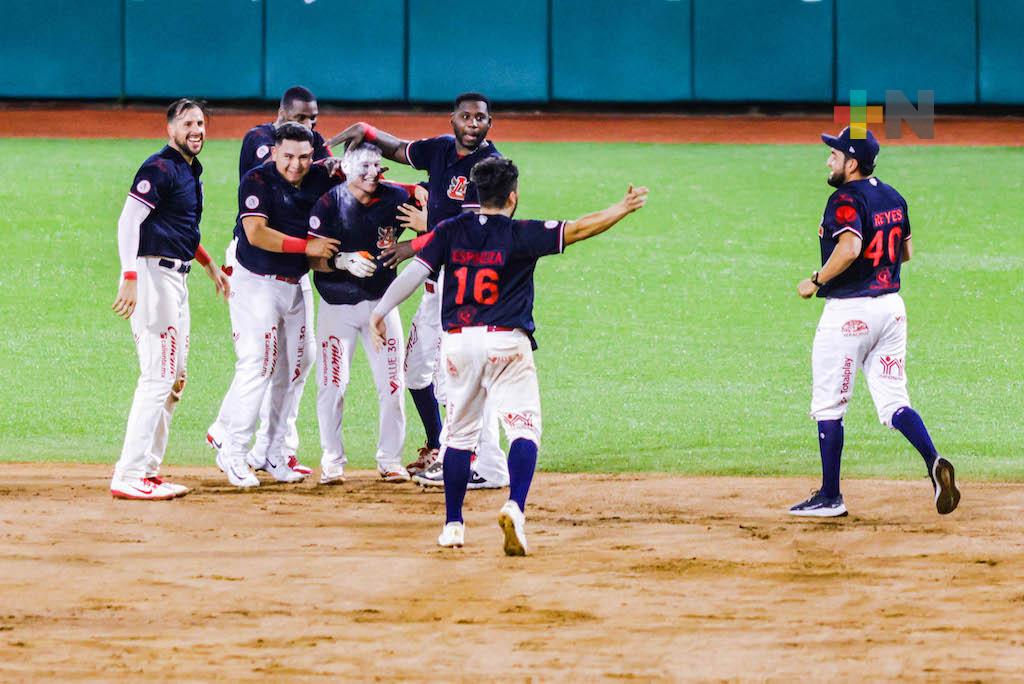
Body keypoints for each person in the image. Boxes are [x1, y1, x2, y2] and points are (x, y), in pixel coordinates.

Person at [369, 157, 648, 555]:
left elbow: (415, 272)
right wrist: (620, 208)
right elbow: (580, 228)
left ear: (474, 194)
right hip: (506, 344)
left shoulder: (449, 229)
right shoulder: (521, 234)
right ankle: (515, 505)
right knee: (523, 428)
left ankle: (452, 525)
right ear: (513, 197)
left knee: (458, 438)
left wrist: (380, 312)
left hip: (459, 344)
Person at [330, 92, 508, 489]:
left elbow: (465, 231)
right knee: (415, 372)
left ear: (489, 123)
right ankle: (439, 445)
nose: (473, 123)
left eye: (480, 118)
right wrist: (367, 132)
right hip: (433, 284)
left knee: (459, 377)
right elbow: (396, 149)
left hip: (466, 285)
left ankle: (475, 459)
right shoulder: (440, 150)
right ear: (453, 120)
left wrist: (421, 232)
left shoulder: (490, 168)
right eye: (466, 116)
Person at [790, 126, 960, 518]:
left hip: (850, 313)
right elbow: (906, 252)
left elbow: (848, 248)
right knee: (894, 400)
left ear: (852, 162)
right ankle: (933, 462)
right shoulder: (893, 196)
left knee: (829, 403)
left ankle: (830, 496)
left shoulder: (844, 200)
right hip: (892, 310)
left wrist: (816, 280)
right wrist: (876, 269)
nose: (829, 160)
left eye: (834, 154)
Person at [206, 85, 338, 478]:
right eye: (289, 155)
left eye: (305, 154)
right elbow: (257, 233)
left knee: (297, 364)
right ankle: (231, 448)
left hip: (293, 282)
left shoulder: (315, 169)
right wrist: (310, 245)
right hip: (256, 279)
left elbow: (354, 187)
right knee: (258, 363)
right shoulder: (259, 168)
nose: (296, 163)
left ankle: (275, 451)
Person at [110, 98, 230, 500]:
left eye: (200, 123)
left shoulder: (188, 171)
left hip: (175, 279)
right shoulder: (159, 167)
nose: (196, 130)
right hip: (151, 277)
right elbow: (129, 220)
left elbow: (180, 228)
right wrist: (129, 276)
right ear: (170, 129)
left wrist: (210, 264)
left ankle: (147, 469)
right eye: (188, 123)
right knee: (158, 376)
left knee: (175, 379)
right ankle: (128, 474)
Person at [307, 143, 420, 484]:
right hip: (336, 307)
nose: (372, 174)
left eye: (377, 166)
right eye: (364, 167)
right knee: (331, 384)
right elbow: (311, 256)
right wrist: (340, 261)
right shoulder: (328, 204)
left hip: (381, 307)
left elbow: (434, 229)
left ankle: (390, 459)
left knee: (392, 384)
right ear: (345, 169)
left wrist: (417, 234)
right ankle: (332, 459)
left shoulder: (396, 198)